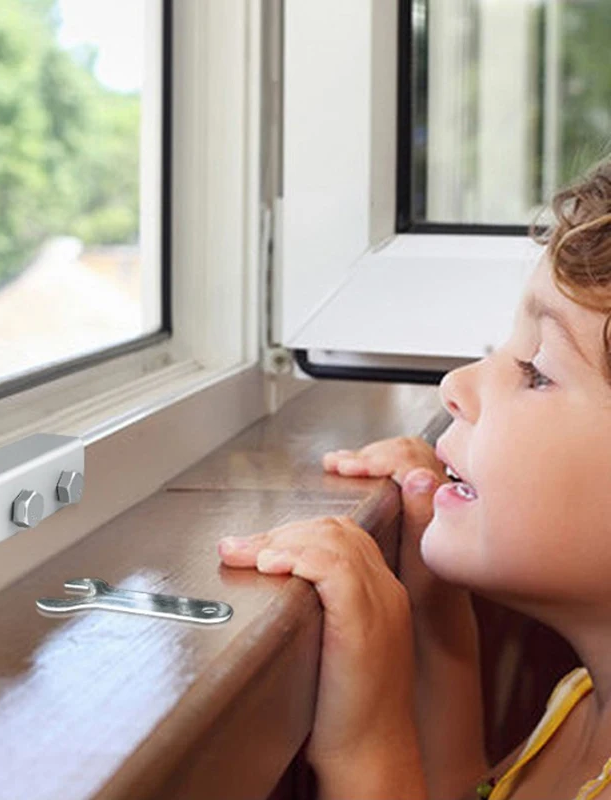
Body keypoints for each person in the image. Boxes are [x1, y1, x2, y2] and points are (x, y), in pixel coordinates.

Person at [218, 163, 611, 800]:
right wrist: (431, 604)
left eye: (535, 370)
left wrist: (366, 749)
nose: (455, 386)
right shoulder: (582, 701)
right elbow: (462, 788)